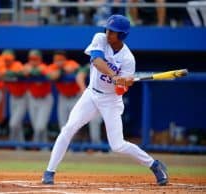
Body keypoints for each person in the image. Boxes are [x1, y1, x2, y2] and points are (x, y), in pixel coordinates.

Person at [42, 15, 168, 186]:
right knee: (68, 128)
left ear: (122, 35)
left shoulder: (128, 59)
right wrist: (114, 75)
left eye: (113, 32)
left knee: (117, 145)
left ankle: (154, 164)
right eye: (108, 29)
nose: (108, 33)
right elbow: (96, 60)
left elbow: (120, 90)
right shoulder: (100, 38)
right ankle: (49, 171)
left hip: (111, 100)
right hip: (91, 94)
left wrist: (123, 83)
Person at [23, 50, 53, 143]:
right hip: (32, 99)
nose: (33, 61)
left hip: (45, 99)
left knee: (40, 126)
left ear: (40, 59)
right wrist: (29, 70)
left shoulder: (44, 66)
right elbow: (23, 71)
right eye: (31, 59)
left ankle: (35, 145)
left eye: (35, 59)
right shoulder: (26, 66)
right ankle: (44, 148)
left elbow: (46, 72)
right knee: (36, 126)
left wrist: (33, 71)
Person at [46, 50, 80, 129]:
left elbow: (76, 68)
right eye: (56, 60)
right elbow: (52, 76)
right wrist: (63, 71)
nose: (58, 62)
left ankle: (77, 139)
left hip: (75, 97)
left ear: (65, 59)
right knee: (62, 125)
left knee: (75, 123)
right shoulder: (52, 67)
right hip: (63, 97)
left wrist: (63, 71)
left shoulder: (71, 63)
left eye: (60, 60)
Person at [1, 50, 27, 143]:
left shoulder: (17, 64)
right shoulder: (1, 66)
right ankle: (20, 145)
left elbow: (22, 72)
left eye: (8, 59)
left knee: (13, 123)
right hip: (13, 97)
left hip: (23, 97)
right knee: (17, 124)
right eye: (5, 60)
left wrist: (11, 73)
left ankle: (14, 143)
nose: (7, 61)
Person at [76, 65, 103, 144]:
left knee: (102, 122)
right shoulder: (92, 64)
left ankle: (100, 145)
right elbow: (79, 76)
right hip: (93, 96)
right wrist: (84, 90)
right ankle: (95, 145)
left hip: (107, 97)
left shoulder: (115, 63)